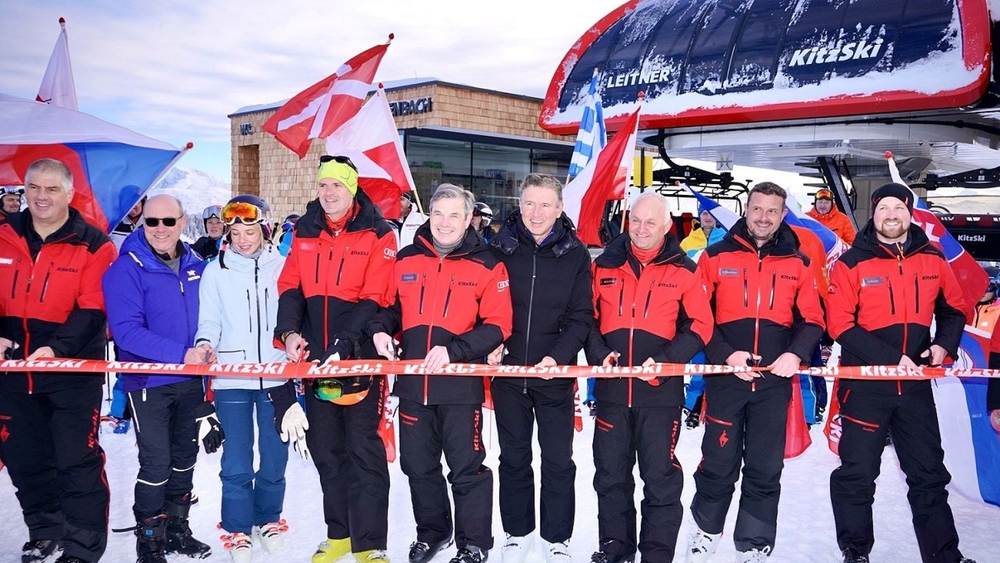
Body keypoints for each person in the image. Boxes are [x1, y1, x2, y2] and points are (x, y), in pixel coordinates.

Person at [826, 183, 977, 563]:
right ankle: (855, 552)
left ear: (910, 213)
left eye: (898, 207)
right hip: (864, 385)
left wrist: (944, 344)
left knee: (928, 475)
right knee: (857, 475)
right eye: (883, 208)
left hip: (914, 387)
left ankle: (945, 556)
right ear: (872, 214)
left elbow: (954, 308)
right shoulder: (851, 263)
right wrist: (891, 358)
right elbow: (839, 324)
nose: (891, 214)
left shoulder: (933, 257)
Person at [369, 183, 512, 563]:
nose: (444, 223)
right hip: (414, 385)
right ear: (427, 216)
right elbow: (390, 309)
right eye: (438, 214)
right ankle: (434, 533)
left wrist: (453, 351)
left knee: (467, 469)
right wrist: (380, 330)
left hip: (461, 387)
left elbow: (498, 325)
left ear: (469, 219)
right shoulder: (406, 258)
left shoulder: (488, 262)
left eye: (454, 215)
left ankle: (473, 543)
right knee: (419, 466)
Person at [688, 181, 825, 563]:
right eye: (757, 209)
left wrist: (795, 355)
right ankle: (704, 532)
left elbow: (813, 320)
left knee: (765, 467)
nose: (763, 218)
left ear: (783, 215)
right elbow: (698, 316)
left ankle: (754, 543)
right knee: (717, 463)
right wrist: (725, 354)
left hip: (773, 383)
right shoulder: (715, 256)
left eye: (772, 211)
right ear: (746, 210)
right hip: (726, 379)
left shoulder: (798, 262)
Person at [273, 155, 397, 563]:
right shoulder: (304, 230)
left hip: (358, 359)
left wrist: (345, 343)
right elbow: (290, 286)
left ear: (352, 188)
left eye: (337, 186)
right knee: (327, 450)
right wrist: (290, 334)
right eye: (323, 185)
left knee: (364, 450)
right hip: (315, 362)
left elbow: (377, 296)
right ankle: (339, 534)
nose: (328, 193)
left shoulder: (378, 232)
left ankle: (370, 543)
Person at [584, 192, 713, 563]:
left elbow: (700, 326)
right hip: (611, 391)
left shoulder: (685, 269)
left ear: (666, 226)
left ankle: (656, 553)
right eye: (636, 221)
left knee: (659, 479)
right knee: (610, 476)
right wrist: (598, 352)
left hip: (660, 394)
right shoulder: (604, 264)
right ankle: (614, 546)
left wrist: (666, 358)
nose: (641, 229)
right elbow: (586, 319)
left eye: (650, 222)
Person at [0, 159, 116, 563]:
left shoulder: (95, 243)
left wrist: (57, 349)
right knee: (24, 457)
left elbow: (94, 307)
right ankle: (44, 530)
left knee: (75, 459)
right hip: (12, 372)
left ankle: (82, 548)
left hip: (71, 371)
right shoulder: (3, 235)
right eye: (34, 187)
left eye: (51, 189)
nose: (40, 196)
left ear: (69, 194)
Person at [103, 194, 218, 563]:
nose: (160, 229)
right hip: (149, 381)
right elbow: (126, 333)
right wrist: (181, 354)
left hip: (191, 379)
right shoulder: (125, 268)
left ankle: (176, 530)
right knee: (157, 462)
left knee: (185, 456)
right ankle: (149, 541)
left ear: (184, 222)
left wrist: (206, 346)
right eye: (152, 222)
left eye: (169, 221)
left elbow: (210, 317)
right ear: (141, 224)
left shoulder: (197, 264)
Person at [487, 173, 593, 563]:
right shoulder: (499, 247)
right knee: (513, 459)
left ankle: (557, 538)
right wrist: (492, 341)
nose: (536, 212)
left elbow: (582, 316)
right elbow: (485, 304)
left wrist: (559, 357)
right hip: (509, 375)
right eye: (530, 203)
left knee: (558, 459)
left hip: (554, 375)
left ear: (560, 209)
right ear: (520, 204)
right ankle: (518, 533)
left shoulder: (576, 253)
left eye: (546, 204)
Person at [193, 195, 293, 563]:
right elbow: (210, 320)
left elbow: (293, 316)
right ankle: (237, 528)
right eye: (235, 231)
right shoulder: (214, 270)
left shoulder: (282, 266)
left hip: (276, 374)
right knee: (236, 458)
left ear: (264, 230)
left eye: (250, 230)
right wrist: (205, 343)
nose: (242, 238)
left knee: (274, 455)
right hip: (231, 376)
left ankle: (268, 518)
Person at [678, 204, 727, 429]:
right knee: (698, 361)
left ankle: (712, 406)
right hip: (694, 307)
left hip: (719, 307)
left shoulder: (726, 240)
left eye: (712, 214)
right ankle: (693, 406)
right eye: (704, 213)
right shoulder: (688, 242)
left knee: (716, 358)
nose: (708, 218)